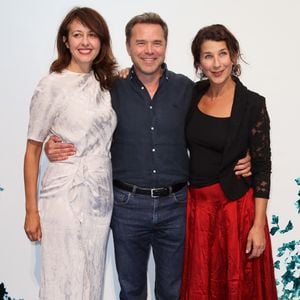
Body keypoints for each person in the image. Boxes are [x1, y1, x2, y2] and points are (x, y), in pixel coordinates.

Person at [45, 13, 251, 300]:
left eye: (157, 42)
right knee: (131, 291)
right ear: (128, 47)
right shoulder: (108, 89)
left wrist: (246, 154)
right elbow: (83, 128)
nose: (149, 50)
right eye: (141, 43)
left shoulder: (188, 89)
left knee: (173, 291)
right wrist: (50, 145)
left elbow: (217, 124)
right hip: (127, 206)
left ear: (166, 46)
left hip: (177, 206)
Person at [23, 7, 117, 299]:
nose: (85, 41)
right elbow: (32, 151)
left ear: (101, 41)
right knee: (63, 276)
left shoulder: (107, 84)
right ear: (65, 40)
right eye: (77, 34)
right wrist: (31, 211)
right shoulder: (51, 85)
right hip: (63, 194)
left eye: (92, 35)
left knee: (91, 276)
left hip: (100, 195)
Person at [180, 24, 277, 299]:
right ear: (199, 62)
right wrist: (124, 74)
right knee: (201, 286)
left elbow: (262, 167)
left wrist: (258, 225)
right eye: (208, 56)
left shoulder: (252, 104)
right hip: (198, 210)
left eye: (222, 54)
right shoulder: (191, 94)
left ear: (233, 56)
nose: (216, 63)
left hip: (236, 211)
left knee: (238, 287)